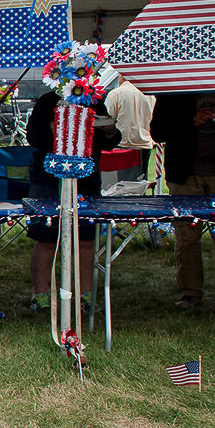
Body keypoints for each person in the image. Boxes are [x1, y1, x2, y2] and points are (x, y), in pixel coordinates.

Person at [26, 90, 122, 312]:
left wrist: (109, 130)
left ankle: (85, 295)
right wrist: (54, 127)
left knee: (86, 240)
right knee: (47, 238)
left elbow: (111, 141)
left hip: (86, 179)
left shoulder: (93, 100)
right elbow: (33, 137)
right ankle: (40, 295)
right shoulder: (47, 100)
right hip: (48, 179)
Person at [150, 90, 215, 308]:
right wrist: (191, 122)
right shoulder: (174, 89)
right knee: (187, 236)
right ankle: (191, 293)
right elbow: (157, 132)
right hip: (184, 175)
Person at [105, 75, 155, 176]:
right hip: (144, 144)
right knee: (140, 181)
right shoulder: (150, 95)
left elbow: (107, 121)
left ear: (122, 77)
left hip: (122, 145)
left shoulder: (115, 94)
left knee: (117, 182)